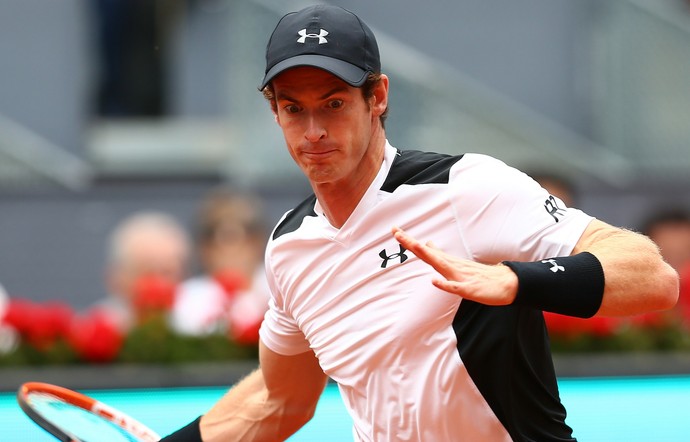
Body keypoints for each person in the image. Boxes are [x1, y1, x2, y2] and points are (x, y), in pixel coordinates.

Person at [161, 5, 679, 441]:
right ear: (275, 112)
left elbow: (653, 278)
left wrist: (518, 280)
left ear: (378, 96)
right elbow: (279, 402)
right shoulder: (289, 248)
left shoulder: (464, 186)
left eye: (334, 104)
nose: (313, 131)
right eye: (294, 109)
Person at [170, 186, 270, 342]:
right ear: (203, 247)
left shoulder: (280, 291)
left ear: (258, 241)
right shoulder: (186, 297)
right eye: (215, 235)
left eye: (244, 233)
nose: (230, 248)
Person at [96, 210, 192, 332]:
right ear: (116, 278)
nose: (159, 284)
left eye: (168, 273)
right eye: (149, 273)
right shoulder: (96, 333)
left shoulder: (200, 329)